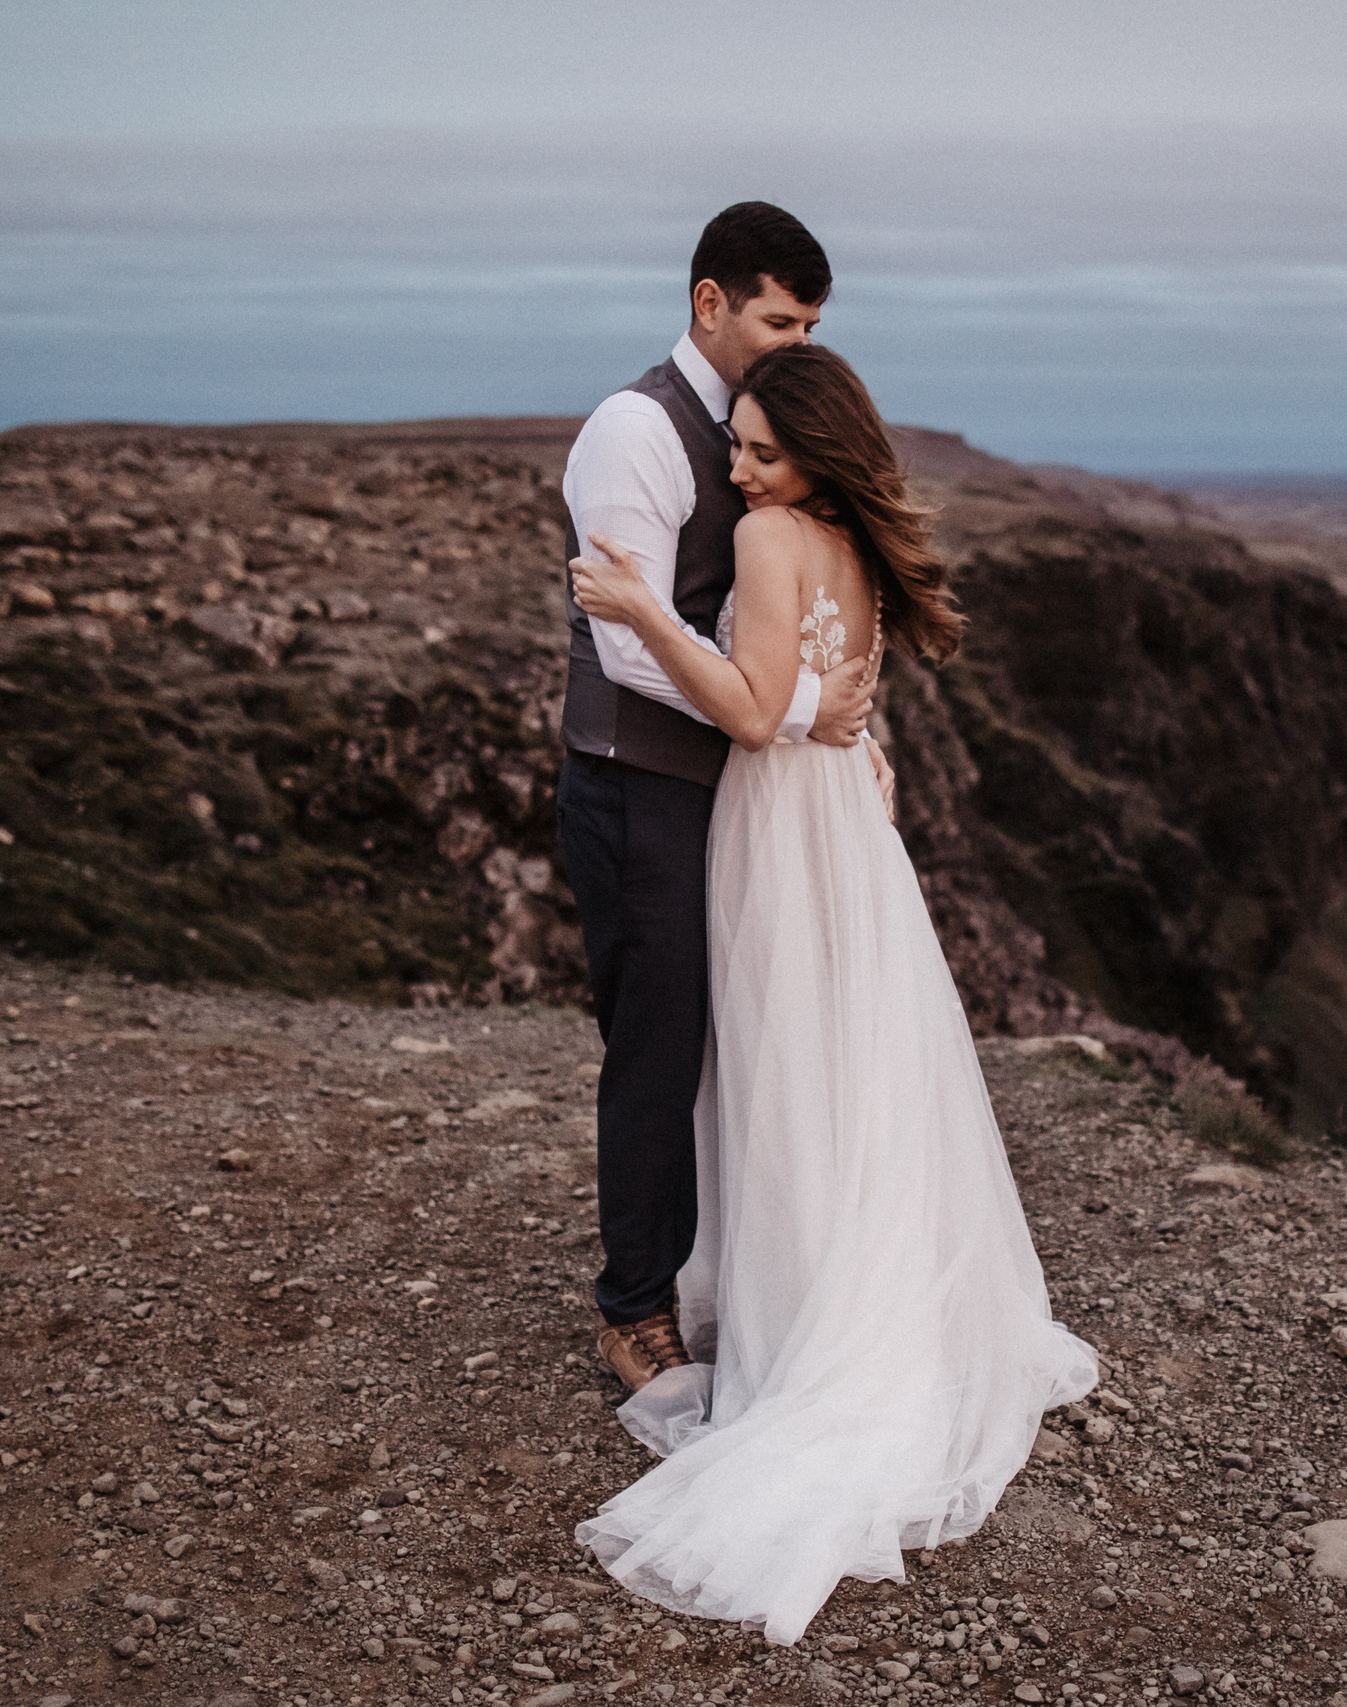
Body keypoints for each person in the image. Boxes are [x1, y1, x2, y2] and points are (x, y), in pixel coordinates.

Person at [566, 342, 1098, 1643]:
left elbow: (751, 712)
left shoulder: (762, 543)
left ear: (814, 455)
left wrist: (638, 611)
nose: (736, 471)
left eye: (759, 450)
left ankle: (801, 1323)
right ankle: (846, 1288)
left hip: (779, 819)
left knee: (778, 1069)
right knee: (845, 1065)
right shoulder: (854, 544)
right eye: (733, 445)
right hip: (849, 828)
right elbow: (823, 700)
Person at [556, 202, 879, 1394]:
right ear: (709, 303)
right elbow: (630, 643)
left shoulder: (762, 429)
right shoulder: (634, 432)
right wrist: (796, 721)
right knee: (657, 1042)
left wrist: (842, 731)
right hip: (637, 782)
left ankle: (728, 1272)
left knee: (738, 1039)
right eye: (777, 320)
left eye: (809, 326)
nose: (796, 344)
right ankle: (633, 1305)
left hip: (732, 789)